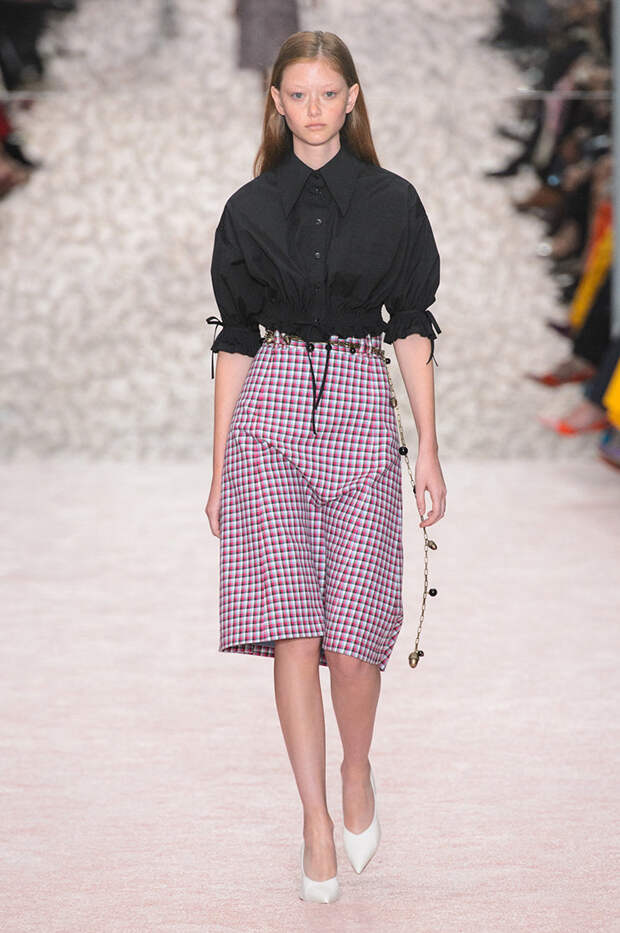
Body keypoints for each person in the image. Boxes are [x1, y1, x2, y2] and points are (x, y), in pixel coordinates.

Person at [205, 29, 447, 903]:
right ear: (276, 101)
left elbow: (410, 324)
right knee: (293, 628)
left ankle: (355, 767)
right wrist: (220, 466)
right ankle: (313, 816)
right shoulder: (248, 208)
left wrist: (428, 448)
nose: (313, 108)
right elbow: (235, 338)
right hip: (270, 413)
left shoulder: (393, 201)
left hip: (358, 404)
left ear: (352, 99)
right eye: (298, 94)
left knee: (352, 644)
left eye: (328, 93)